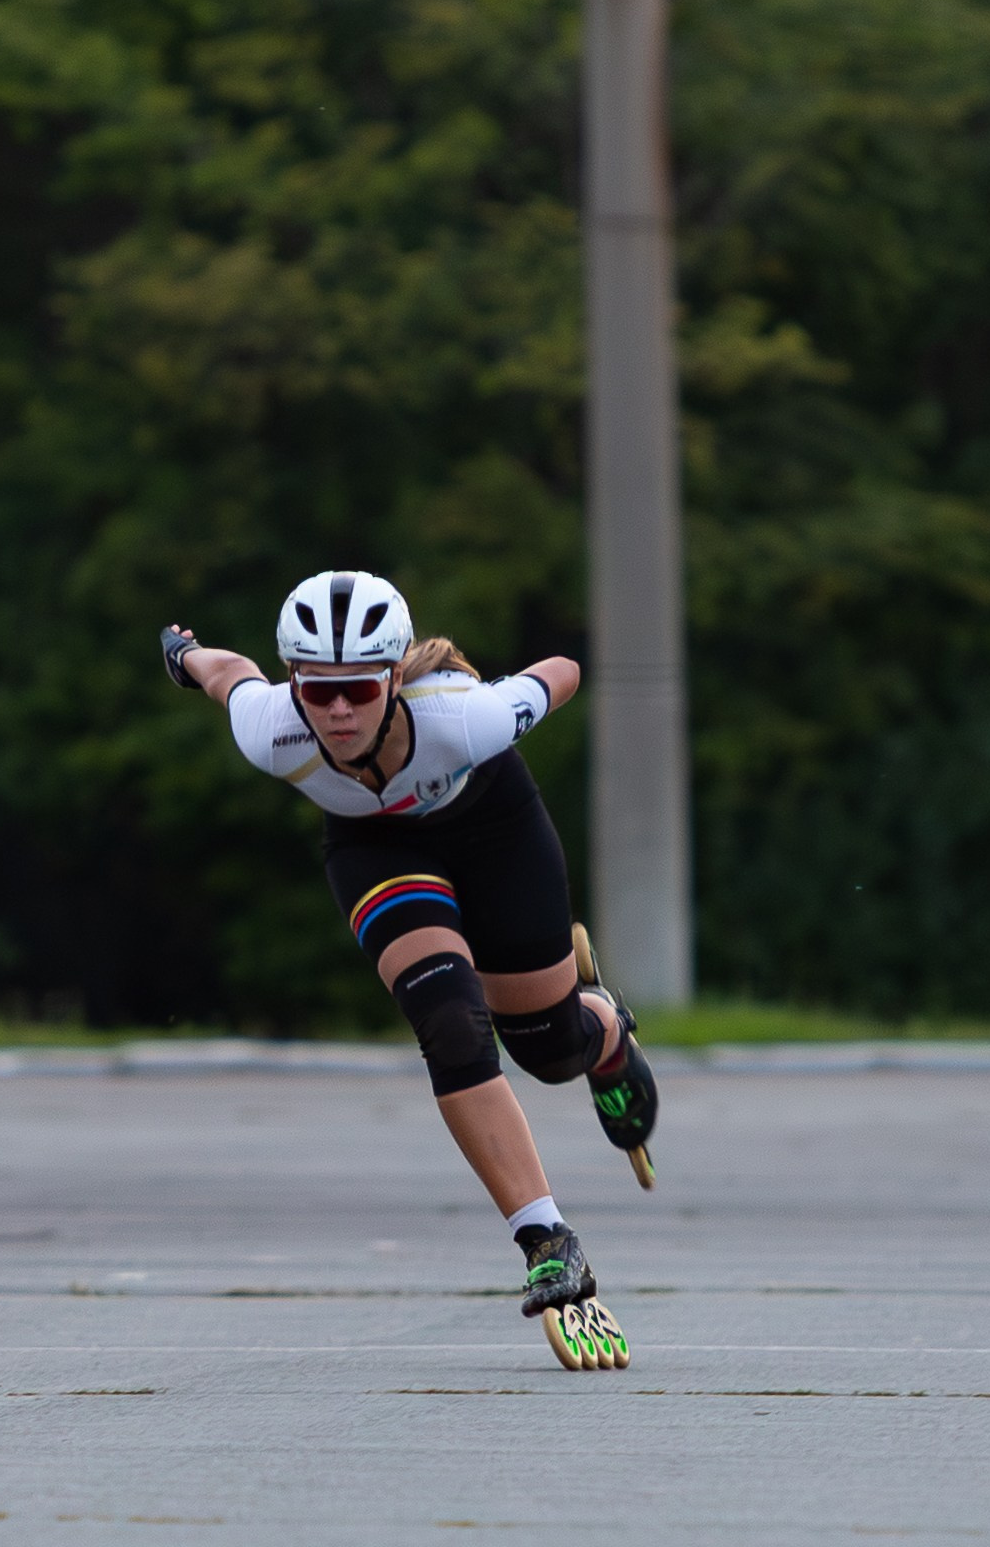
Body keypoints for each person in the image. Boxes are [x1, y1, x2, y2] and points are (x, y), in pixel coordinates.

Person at [161, 571, 652, 1369]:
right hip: (378, 850)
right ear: (293, 682)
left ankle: (599, 1032)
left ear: (392, 677)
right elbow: (225, 674)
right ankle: (546, 1240)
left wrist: (559, 666)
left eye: (358, 688)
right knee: (450, 1022)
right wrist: (181, 655)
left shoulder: (465, 718)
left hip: (492, 828)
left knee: (547, 1051)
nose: (339, 712)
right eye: (318, 691)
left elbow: (561, 672)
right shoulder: (268, 729)